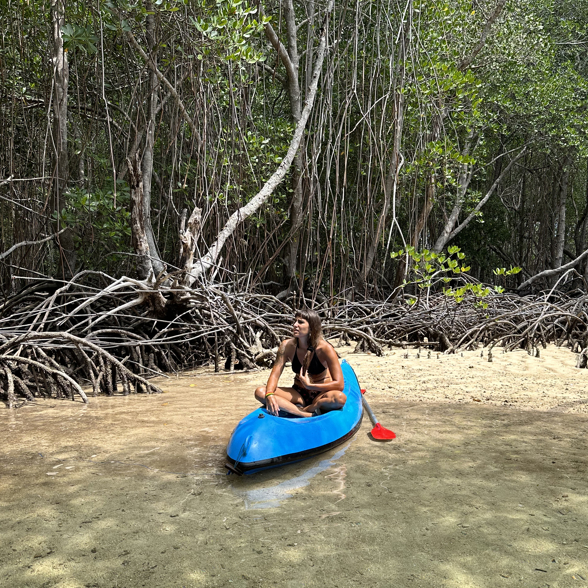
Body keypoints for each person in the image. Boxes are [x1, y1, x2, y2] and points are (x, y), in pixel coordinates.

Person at [254, 308, 346, 417]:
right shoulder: (286, 346)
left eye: (300, 322)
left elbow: (339, 384)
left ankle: (312, 407)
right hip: (298, 393)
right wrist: (269, 394)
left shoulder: (325, 348)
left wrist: (311, 385)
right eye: (295, 321)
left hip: (321, 393)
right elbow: (275, 375)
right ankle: (304, 413)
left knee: (340, 398)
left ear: (312, 327)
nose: (295, 325)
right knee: (260, 392)